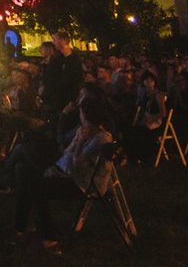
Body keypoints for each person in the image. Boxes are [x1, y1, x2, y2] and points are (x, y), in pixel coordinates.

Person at [11, 95, 114, 249]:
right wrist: (56, 168)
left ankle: (47, 236)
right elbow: (67, 153)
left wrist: (80, 142)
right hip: (67, 174)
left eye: (81, 112)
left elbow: (77, 165)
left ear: (86, 115)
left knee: (35, 186)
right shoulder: (84, 131)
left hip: (82, 185)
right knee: (22, 169)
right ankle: (21, 227)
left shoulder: (100, 139)